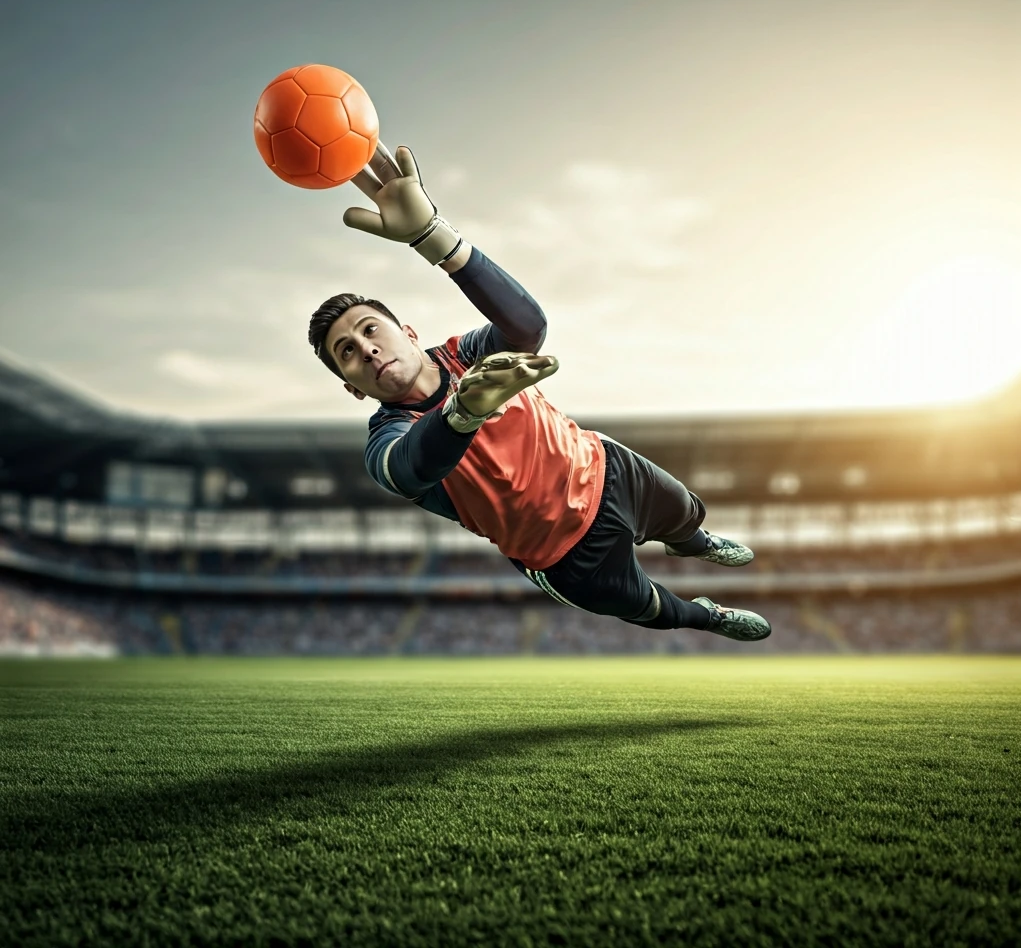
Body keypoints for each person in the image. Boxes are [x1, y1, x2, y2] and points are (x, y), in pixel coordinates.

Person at [307, 145, 770, 641]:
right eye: (348, 352)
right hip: (562, 553)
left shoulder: (465, 355)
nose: (368, 349)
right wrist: (463, 413)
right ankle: (710, 616)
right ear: (351, 388)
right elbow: (409, 469)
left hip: (605, 470)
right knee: (647, 607)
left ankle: (692, 542)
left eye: (371, 330)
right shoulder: (389, 435)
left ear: (411, 332)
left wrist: (432, 236)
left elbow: (527, 328)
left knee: (682, 511)